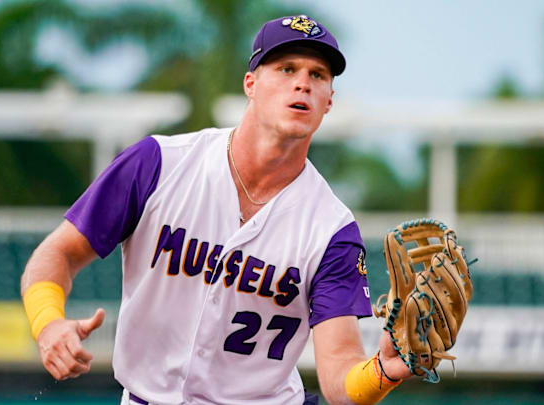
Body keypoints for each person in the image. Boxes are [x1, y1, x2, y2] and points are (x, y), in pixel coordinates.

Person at [21, 15, 411, 405]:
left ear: (328, 102)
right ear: (250, 84)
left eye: (318, 74)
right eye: (286, 68)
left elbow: (339, 377)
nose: (303, 83)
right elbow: (58, 253)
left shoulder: (332, 228)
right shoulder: (159, 164)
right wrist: (48, 323)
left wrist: (382, 370)